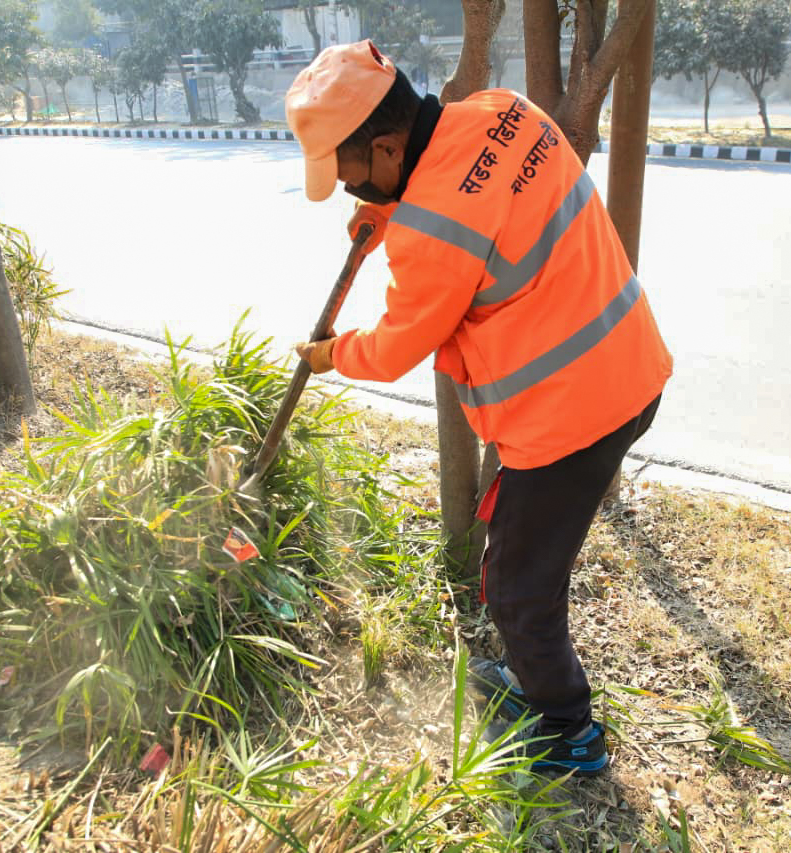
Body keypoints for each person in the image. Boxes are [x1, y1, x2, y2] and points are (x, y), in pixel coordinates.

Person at [285, 40, 673, 776]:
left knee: (517, 590)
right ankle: (538, 682)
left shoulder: (431, 232)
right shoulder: (504, 113)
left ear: (389, 147)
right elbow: (477, 199)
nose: (346, 188)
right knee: (526, 562)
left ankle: (569, 733)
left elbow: (394, 347)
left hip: (570, 419)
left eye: (349, 173)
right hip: (630, 367)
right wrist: (389, 207)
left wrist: (331, 354)